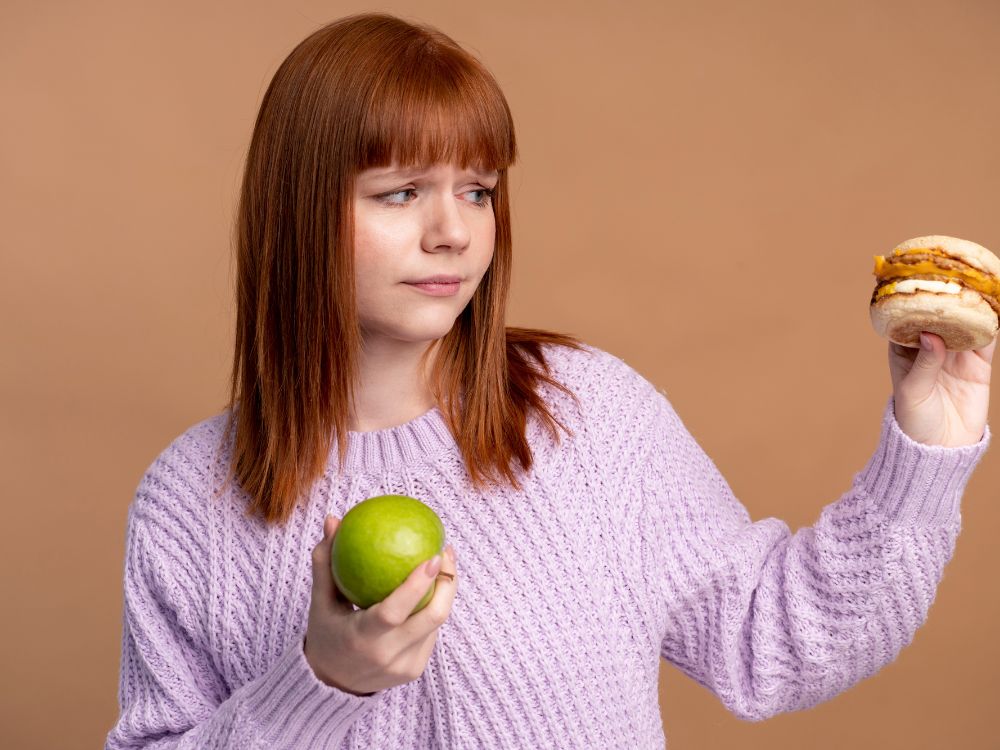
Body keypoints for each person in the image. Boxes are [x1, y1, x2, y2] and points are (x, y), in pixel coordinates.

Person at [104, 11, 994, 750]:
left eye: (479, 190)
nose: (453, 231)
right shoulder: (190, 500)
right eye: (401, 192)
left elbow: (775, 641)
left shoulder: (587, 414)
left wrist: (930, 443)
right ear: (299, 210)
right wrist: (321, 684)